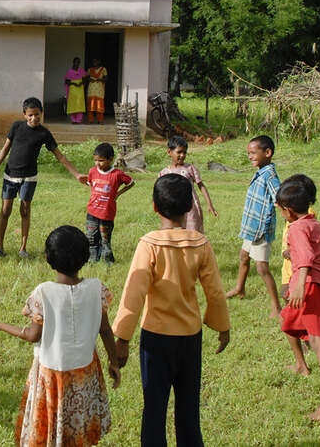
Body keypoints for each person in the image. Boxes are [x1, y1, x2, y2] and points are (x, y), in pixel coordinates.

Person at [112, 174, 231, 446]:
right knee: (189, 408)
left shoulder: (149, 244)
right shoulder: (200, 243)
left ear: (154, 207)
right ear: (190, 206)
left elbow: (134, 293)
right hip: (190, 337)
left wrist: (122, 339)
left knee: (154, 408)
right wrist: (223, 326)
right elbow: (214, 290)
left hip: (156, 339)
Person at [0, 225, 120, 446]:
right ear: (85, 256)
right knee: (78, 429)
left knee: (51, 432)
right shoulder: (96, 288)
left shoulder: (43, 292)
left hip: (52, 376)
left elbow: (31, 335)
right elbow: (106, 330)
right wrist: (114, 361)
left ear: (48, 258)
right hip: (85, 373)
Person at [275, 175, 320, 421]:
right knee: (288, 323)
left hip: (308, 287)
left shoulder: (295, 229)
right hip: (317, 286)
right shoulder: (313, 223)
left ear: (289, 211)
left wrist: (299, 287)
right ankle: (301, 365)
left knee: (317, 341)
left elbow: (305, 258)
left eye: (280, 209)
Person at [0, 97, 88, 258]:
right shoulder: (16, 126)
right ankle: (0, 247)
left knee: (25, 211)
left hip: (29, 178)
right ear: (24, 115)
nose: (34, 118)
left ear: (41, 113)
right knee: (5, 210)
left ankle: (23, 248)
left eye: (37, 114)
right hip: (10, 175)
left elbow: (60, 156)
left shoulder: (44, 133)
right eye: (30, 115)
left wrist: (76, 174)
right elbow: (5, 149)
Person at [225, 135, 282, 318]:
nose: (250, 156)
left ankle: (276, 307)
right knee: (244, 256)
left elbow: (279, 198)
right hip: (252, 228)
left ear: (267, 152)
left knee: (262, 268)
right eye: (248, 153)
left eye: (253, 153)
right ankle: (239, 288)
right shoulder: (261, 172)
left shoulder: (270, 176)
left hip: (261, 230)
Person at [85, 143, 135, 264]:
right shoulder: (92, 171)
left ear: (110, 159)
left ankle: (108, 262)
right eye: (95, 160)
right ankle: (92, 260)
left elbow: (131, 183)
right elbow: (91, 184)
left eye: (101, 161)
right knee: (91, 237)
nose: (97, 163)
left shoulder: (117, 174)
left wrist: (118, 194)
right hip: (92, 212)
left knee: (105, 239)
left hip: (106, 214)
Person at [158, 136, 218, 233]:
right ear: (169, 152)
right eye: (179, 152)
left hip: (190, 208)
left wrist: (210, 205)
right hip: (172, 208)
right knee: (175, 233)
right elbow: (160, 192)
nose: (182, 155)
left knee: (192, 231)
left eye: (184, 152)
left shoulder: (190, 168)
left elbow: (201, 185)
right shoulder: (164, 173)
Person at [64, 57, 87, 124]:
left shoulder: (81, 71)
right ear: (73, 62)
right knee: (72, 104)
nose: (77, 63)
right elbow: (67, 81)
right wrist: (74, 83)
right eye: (76, 62)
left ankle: (79, 120)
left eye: (78, 62)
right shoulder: (70, 71)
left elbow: (85, 79)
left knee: (80, 104)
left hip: (80, 89)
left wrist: (81, 83)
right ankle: (73, 120)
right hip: (72, 90)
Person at [86, 58, 107, 124]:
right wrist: (90, 79)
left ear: (99, 61)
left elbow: (106, 79)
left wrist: (100, 79)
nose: (94, 62)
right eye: (93, 61)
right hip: (91, 90)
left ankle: (100, 120)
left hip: (99, 90)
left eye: (96, 61)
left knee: (99, 105)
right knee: (91, 105)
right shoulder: (90, 70)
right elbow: (87, 78)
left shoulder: (103, 69)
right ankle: (90, 120)